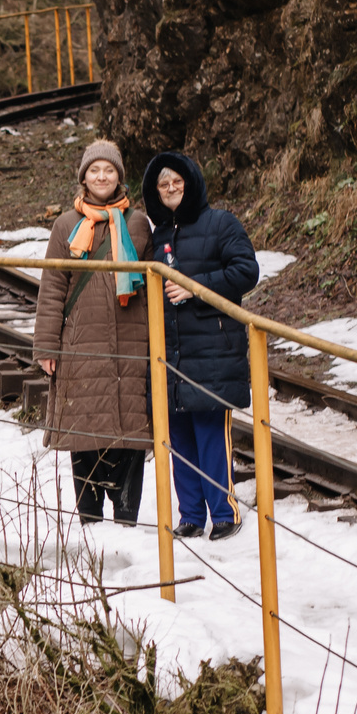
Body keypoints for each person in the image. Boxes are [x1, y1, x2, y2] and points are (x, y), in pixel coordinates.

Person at [139, 150, 260, 540]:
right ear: (155, 193)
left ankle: (224, 515)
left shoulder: (221, 223)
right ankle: (190, 515)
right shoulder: (158, 237)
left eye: (177, 181)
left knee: (210, 433)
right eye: (163, 184)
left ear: (190, 182)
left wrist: (193, 287)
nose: (171, 188)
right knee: (179, 438)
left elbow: (246, 271)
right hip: (171, 351)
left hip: (211, 349)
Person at [31, 140, 153, 524]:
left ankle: (127, 516)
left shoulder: (136, 222)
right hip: (80, 344)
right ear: (84, 177)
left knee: (131, 425)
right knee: (82, 430)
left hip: (130, 340)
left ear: (120, 177)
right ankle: (89, 518)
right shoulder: (66, 225)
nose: (102, 177)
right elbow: (52, 289)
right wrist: (46, 346)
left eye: (109, 170)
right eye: (94, 171)